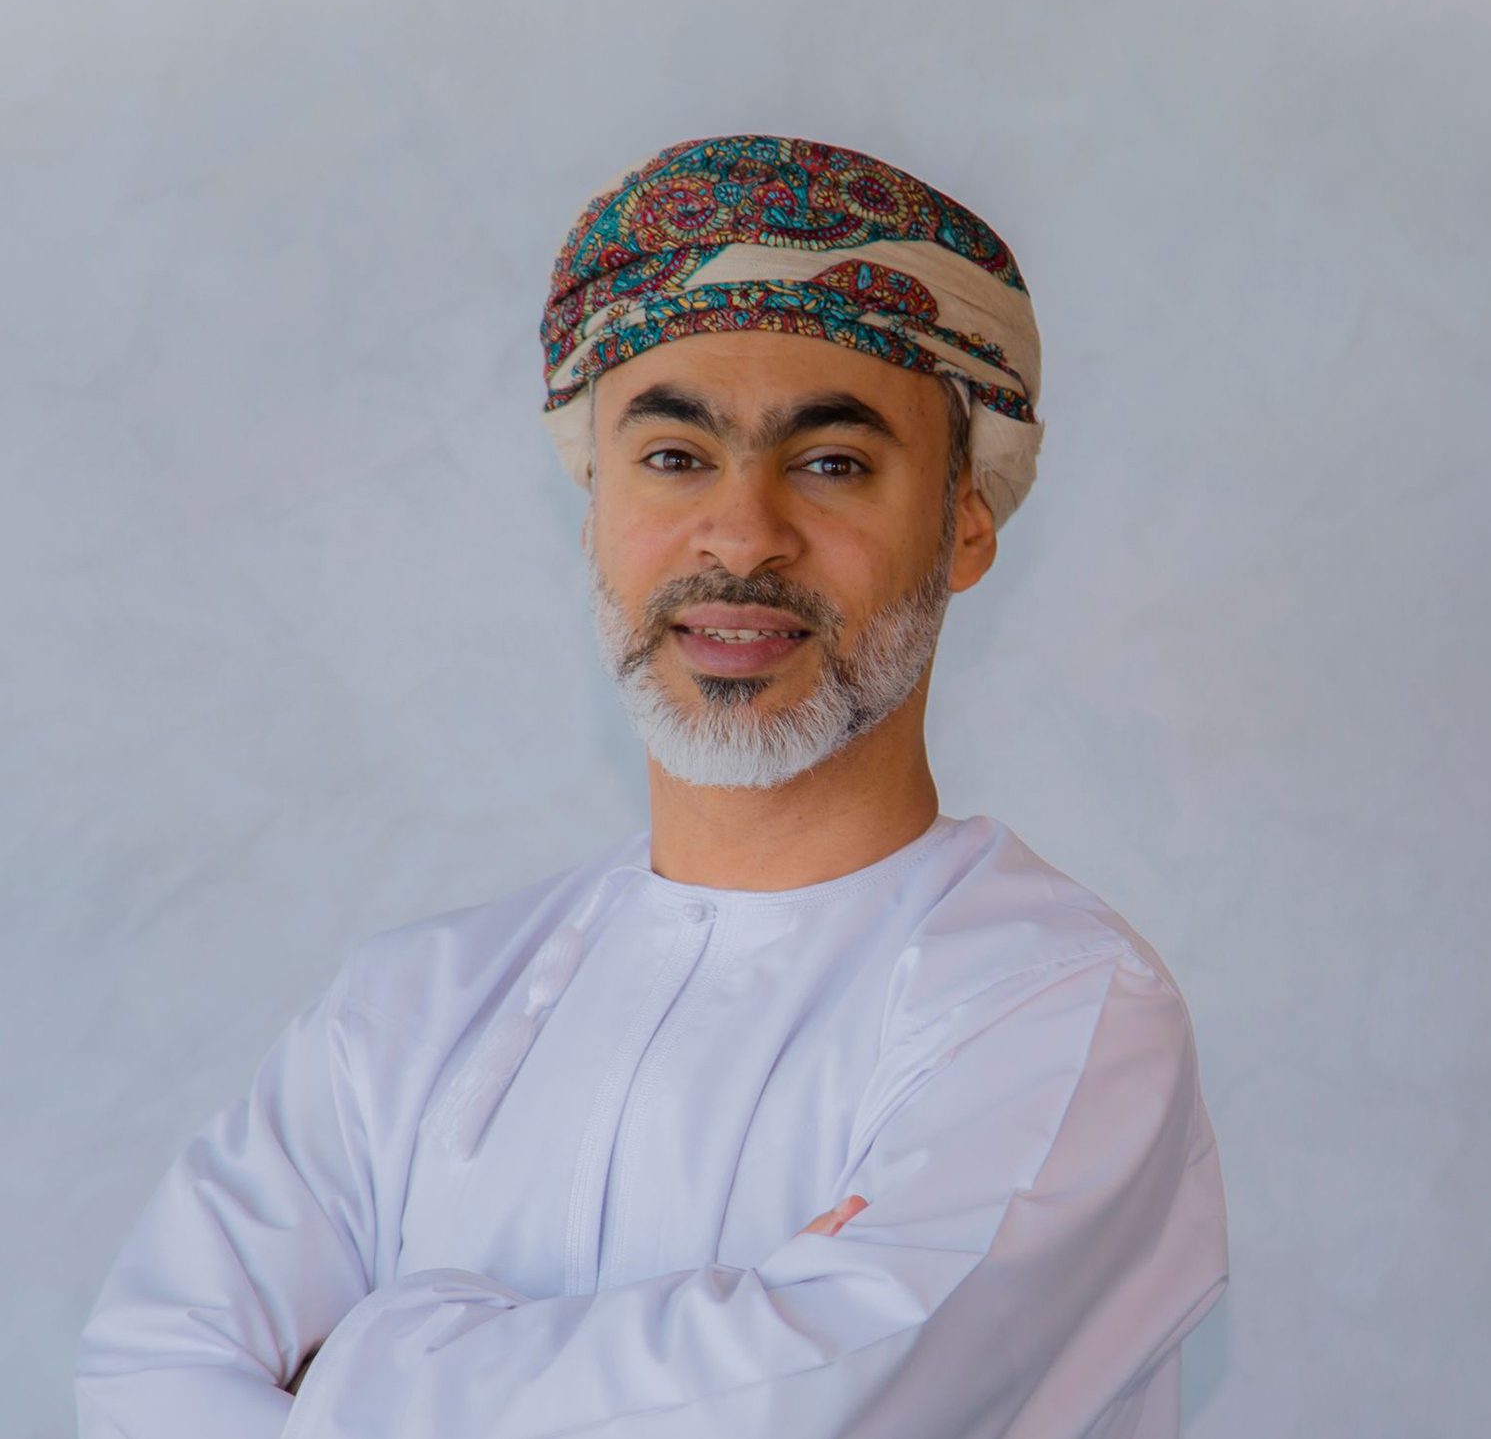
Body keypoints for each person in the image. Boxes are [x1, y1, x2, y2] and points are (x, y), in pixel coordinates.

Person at [76, 133, 1228, 1437]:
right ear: (593, 507)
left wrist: (357, 1364)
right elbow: (142, 1381)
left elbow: (809, 1416)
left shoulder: (1060, 1012)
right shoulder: (404, 1019)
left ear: (965, 519)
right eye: (675, 456)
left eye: (833, 462)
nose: (742, 535)